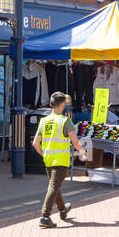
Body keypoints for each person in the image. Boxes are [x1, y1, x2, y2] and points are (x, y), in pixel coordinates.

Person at [31, 91, 88, 228]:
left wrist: (44, 154)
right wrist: (82, 151)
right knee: (53, 187)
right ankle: (45, 216)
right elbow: (75, 142)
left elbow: (35, 143)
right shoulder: (65, 121)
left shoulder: (44, 121)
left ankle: (63, 210)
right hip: (61, 161)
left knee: (55, 187)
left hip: (49, 160)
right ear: (62, 105)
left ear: (51, 105)